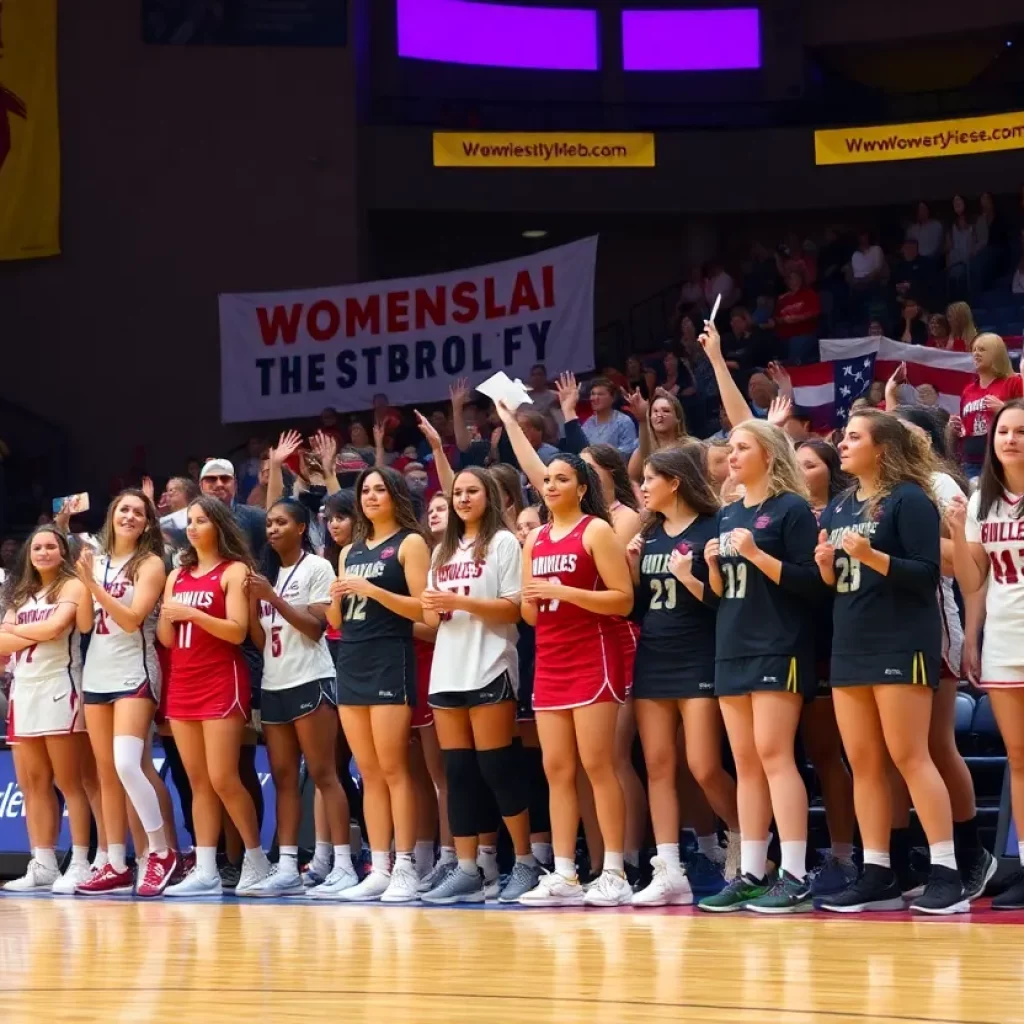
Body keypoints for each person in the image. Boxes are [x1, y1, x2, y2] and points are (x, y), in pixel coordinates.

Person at [815, 409, 967, 915]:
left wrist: (870, 555)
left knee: (910, 756)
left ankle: (947, 871)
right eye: (843, 437)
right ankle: (878, 870)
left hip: (900, 641)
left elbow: (927, 574)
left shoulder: (910, 500)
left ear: (882, 448)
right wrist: (826, 568)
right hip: (849, 641)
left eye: (854, 437)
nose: (843, 444)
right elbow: (840, 582)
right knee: (864, 762)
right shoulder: (837, 506)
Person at [499, 429, 634, 907]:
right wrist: (533, 599)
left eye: (561, 479)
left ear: (581, 488)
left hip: (592, 653)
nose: (550, 487)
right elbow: (531, 616)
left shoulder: (596, 530)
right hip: (551, 657)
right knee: (556, 769)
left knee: (598, 764)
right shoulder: (533, 537)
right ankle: (563, 873)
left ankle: (615, 870)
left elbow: (622, 599)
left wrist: (564, 592)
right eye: (546, 481)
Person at [696, 410, 822, 914]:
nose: (732, 455)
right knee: (745, 762)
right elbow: (723, 593)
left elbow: (812, 585)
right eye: (730, 448)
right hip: (731, 643)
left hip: (779, 643)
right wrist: (710, 567)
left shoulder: (792, 509)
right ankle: (752, 869)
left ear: (768, 454)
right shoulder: (727, 514)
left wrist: (756, 555)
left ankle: (794, 873)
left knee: (774, 755)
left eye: (742, 447)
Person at [417, 468, 541, 904]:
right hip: (448, 669)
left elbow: (513, 609)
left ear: (489, 496)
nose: (464, 498)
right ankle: (468, 869)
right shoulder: (441, 551)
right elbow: (432, 618)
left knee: (498, 768)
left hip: (489, 666)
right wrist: (435, 609)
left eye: (472, 491)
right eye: (457, 493)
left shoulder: (504, 543)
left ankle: (525, 861)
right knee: (459, 773)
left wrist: (459, 602)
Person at [887, 406, 993, 899]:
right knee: (896, 753)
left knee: (934, 746)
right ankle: (907, 857)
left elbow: (961, 565)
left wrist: (913, 540)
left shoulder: (938, 486)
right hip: (882, 630)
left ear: (926, 441)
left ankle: (972, 856)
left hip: (934, 625)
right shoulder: (878, 489)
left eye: (901, 430)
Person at [628, 445, 740, 906]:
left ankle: (745, 843)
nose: (644, 487)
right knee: (658, 765)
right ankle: (669, 867)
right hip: (653, 656)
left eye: (651, 479)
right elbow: (636, 609)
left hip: (699, 655)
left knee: (703, 765)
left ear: (674, 482)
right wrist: (633, 571)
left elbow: (724, 603)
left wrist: (692, 576)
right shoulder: (649, 533)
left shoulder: (714, 528)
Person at [326, 466, 431, 902]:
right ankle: (380, 865)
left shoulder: (410, 542)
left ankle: (406, 866)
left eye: (379, 490)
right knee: (367, 771)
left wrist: (373, 590)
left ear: (395, 496)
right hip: (351, 658)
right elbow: (335, 620)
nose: (370, 497)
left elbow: (425, 613)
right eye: (365, 490)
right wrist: (334, 595)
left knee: (393, 768)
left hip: (390, 658)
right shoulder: (348, 550)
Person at [244, 499, 357, 898]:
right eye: (269, 522)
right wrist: (252, 605)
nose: (272, 529)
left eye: (281, 522)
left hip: (312, 680)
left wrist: (272, 598)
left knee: (326, 774)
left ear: (301, 527)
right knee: (284, 778)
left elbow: (314, 628)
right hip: (274, 684)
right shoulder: (270, 572)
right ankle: (288, 865)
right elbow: (261, 641)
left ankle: (343, 864)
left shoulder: (318, 567)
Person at [158, 497, 270, 897]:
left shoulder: (234, 570)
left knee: (224, 777)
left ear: (218, 525)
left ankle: (257, 861)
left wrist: (194, 615)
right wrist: (167, 619)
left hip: (222, 679)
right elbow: (167, 640)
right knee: (198, 781)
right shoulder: (176, 575)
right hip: (183, 681)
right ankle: (205, 868)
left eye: (201, 520)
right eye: (189, 521)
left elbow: (238, 631)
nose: (191, 527)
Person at [74, 490, 179, 897]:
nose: (130, 516)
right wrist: (85, 584)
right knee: (106, 773)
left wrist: (93, 587)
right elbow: (85, 624)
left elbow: (134, 620)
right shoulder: (95, 562)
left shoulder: (150, 563)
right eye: (123, 509)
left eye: (139, 511)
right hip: (97, 673)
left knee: (127, 764)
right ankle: (115, 861)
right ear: (111, 516)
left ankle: (160, 852)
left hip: (135, 671)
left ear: (149, 523)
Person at [949, 398, 1024, 909]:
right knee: (1018, 758)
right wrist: (971, 640)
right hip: (1002, 637)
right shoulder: (981, 501)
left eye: (1020, 431)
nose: (1011, 439)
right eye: (1002, 432)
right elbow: (974, 581)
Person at [0, 527, 95, 894]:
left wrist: (25, 634)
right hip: (23, 691)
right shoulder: (20, 594)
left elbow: (60, 628)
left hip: (60, 689)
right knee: (32, 783)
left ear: (62, 552)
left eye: (50, 546)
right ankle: (42, 863)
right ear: (29, 554)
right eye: (36, 547)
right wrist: (41, 633)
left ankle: (82, 863)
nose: (42, 552)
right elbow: (4, 640)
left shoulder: (72, 586)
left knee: (69, 782)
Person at [793, 440, 858, 897]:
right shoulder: (780, 511)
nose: (800, 471)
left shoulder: (840, 514)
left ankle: (844, 855)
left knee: (826, 754)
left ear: (830, 471)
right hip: (781, 642)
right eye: (793, 463)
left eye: (809, 464)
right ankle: (787, 861)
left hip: (829, 641)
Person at [581, 444, 646, 878]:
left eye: (585, 469)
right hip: (576, 640)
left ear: (607, 473)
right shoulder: (568, 523)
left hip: (620, 635)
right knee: (587, 765)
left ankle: (631, 859)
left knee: (614, 757)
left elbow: (614, 584)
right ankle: (599, 859)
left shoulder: (623, 517)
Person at [958, 333, 1023, 479]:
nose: (976, 354)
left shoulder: (1014, 382)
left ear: (996, 353)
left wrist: (1003, 409)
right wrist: (956, 428)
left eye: (982, 349)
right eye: (974, 350)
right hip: (972, 463)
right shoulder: (968, 391)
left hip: (1003, 459)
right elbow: (965, 426)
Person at [626, 390, 688, 483]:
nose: (659, 415)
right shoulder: (642, 451)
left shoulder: (690, 447)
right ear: (650, 417)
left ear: (678, 418)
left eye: (666, 411)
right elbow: (631, 482)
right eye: (655, 411)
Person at [581, 377, 638, 460]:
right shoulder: (588, 423)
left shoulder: (624, 421)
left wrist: (605, 453)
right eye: (593, 394)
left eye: (600, 394)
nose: (595, 398)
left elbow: (628, 451)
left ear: (612, 398)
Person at [774, 268, 821, 365]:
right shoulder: (782, 298)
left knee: (796, 342)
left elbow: (815, 313)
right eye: (789, 278)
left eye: (793, 278)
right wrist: (783, 320)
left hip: (802, 334)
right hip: (783, 335)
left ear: (800, 279)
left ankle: (793, 366)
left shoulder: (809, 294)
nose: (790, 280)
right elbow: (776, 318)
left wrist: (797, 318)